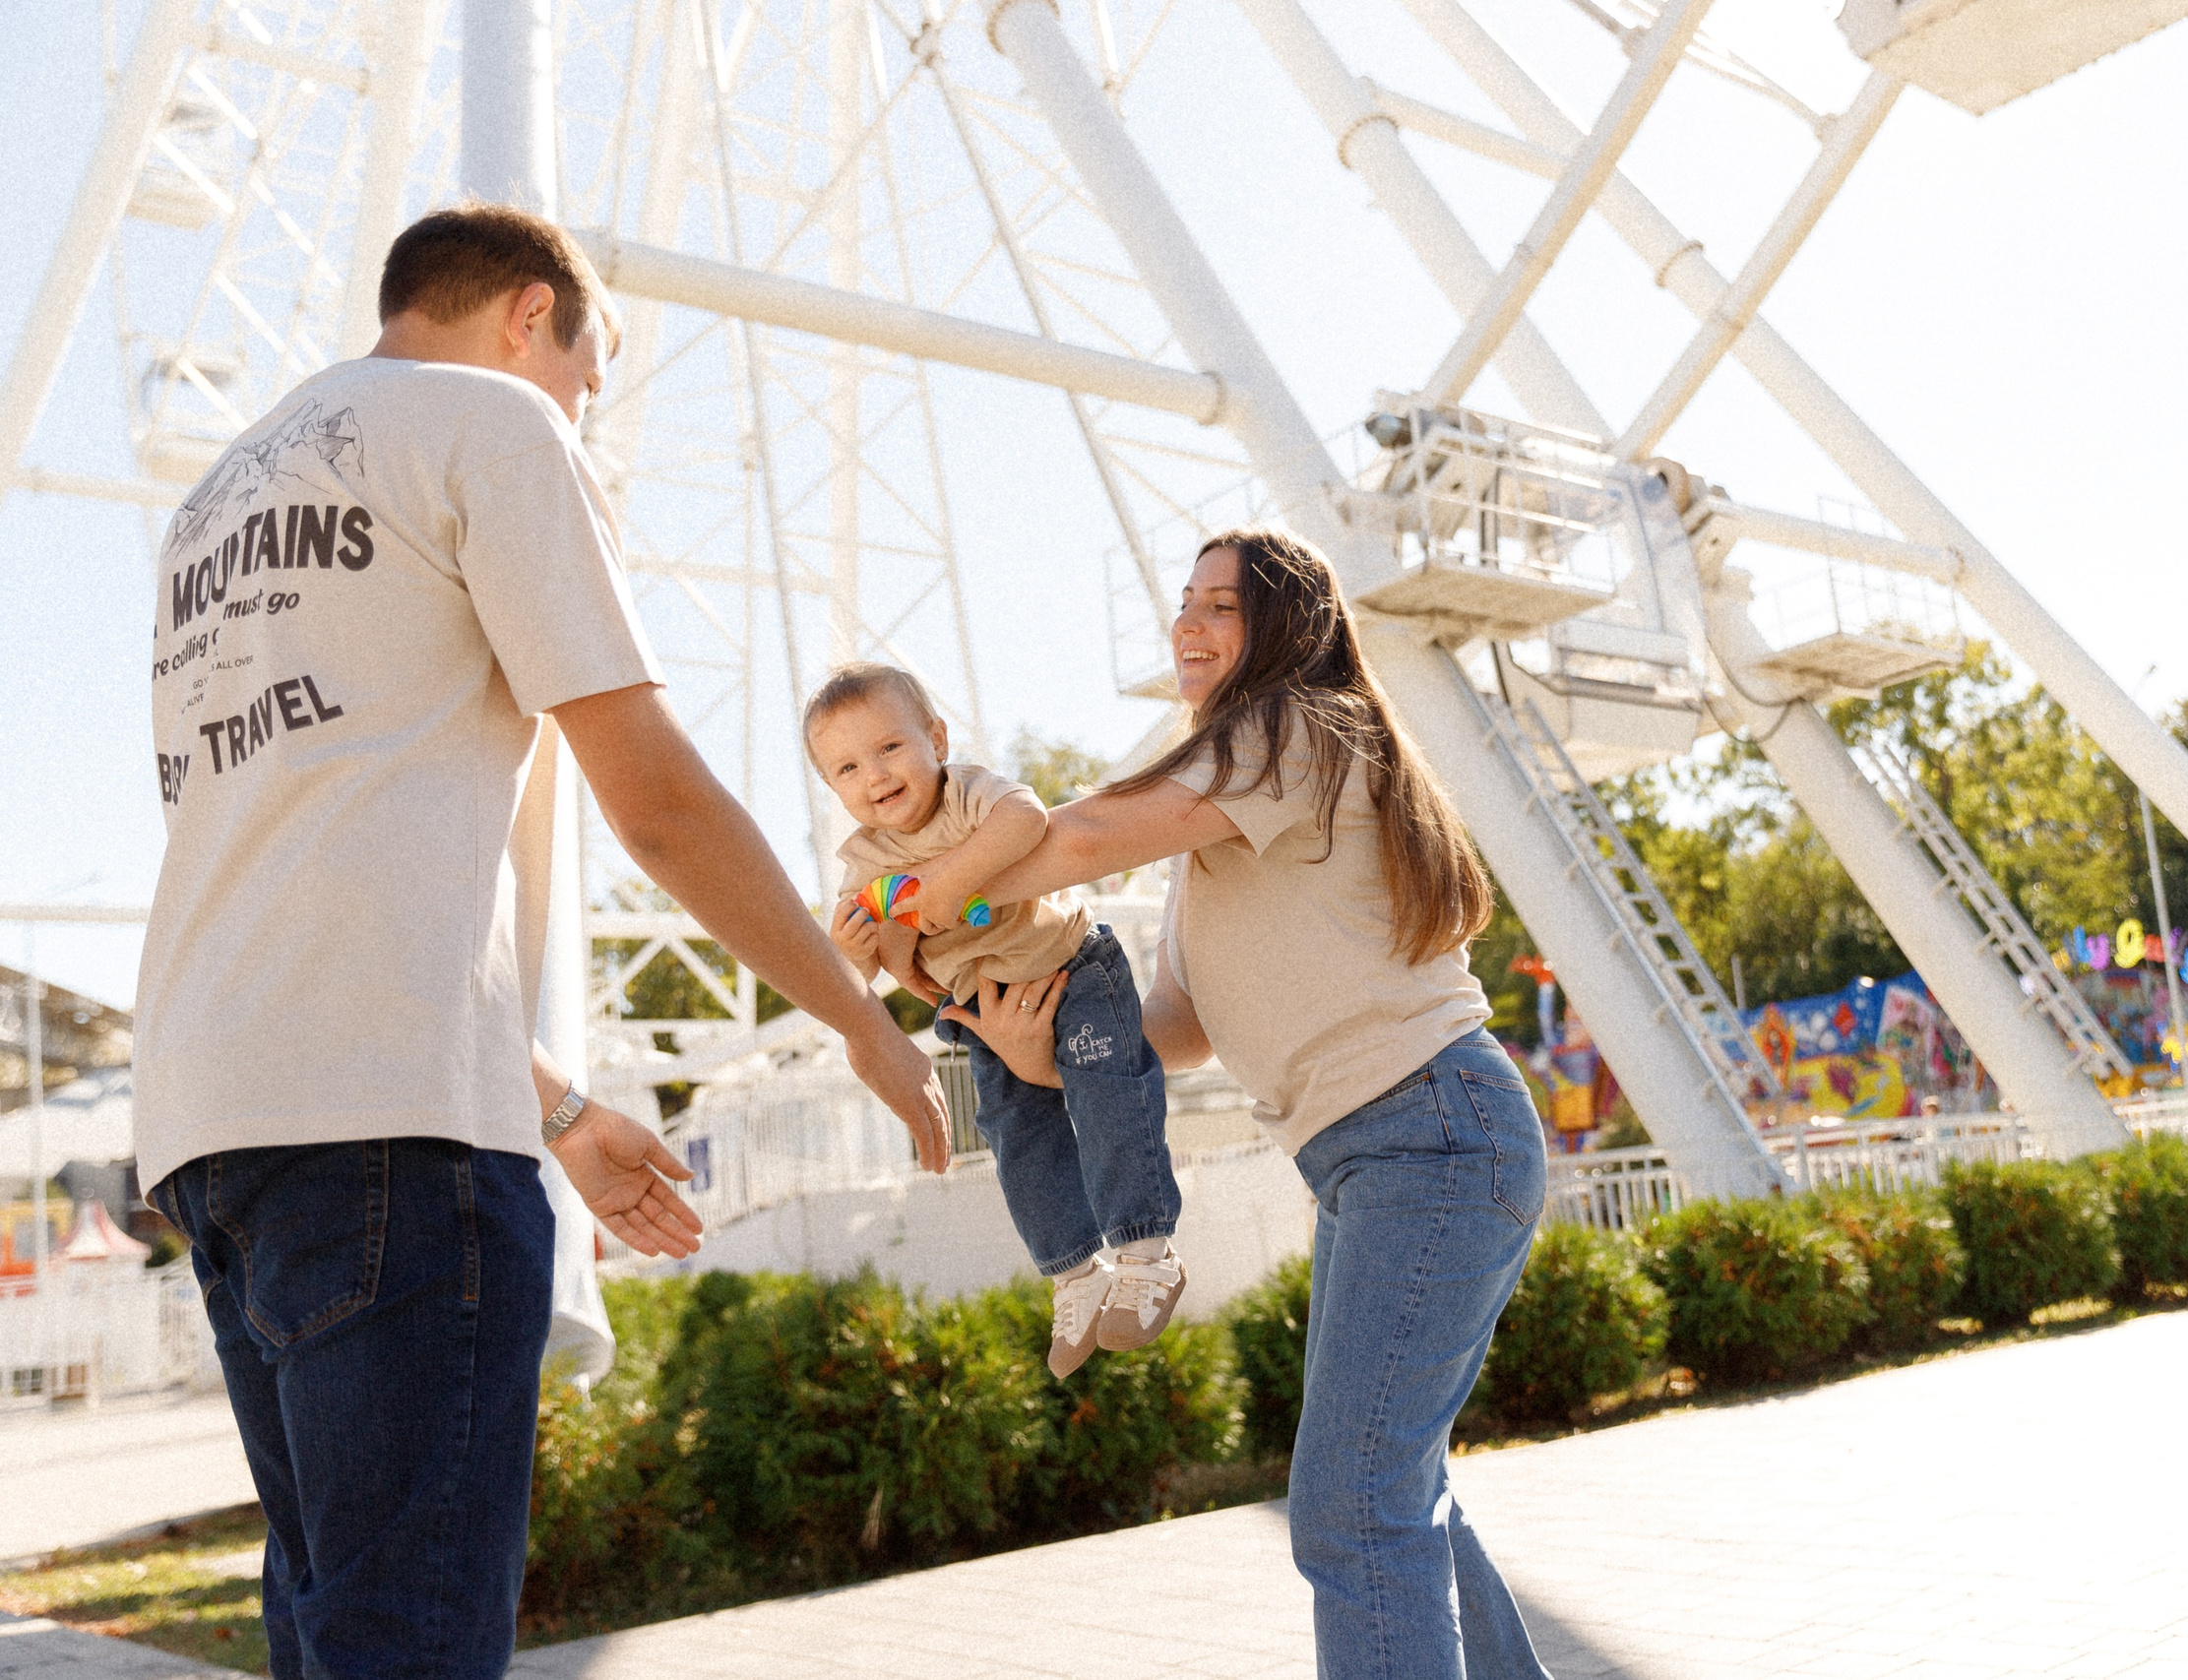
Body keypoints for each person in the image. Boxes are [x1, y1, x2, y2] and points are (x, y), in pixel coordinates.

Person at [133, 204, 949, 1680]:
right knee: (412, 1647)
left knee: (336, 1633)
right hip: (394, 1144)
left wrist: (559, 1109)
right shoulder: (493, 423)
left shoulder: (211, 509)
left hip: (216, 1124)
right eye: (590, 372)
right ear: (529, 315)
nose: (583, 406)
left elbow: (320, 887)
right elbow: (659, 806)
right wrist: (861, 1020)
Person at [948, 527, 1553, 1680]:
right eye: (1184, 601)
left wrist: (923, 887)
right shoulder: (1217, 834)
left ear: (1287, 629)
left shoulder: (1300, 727)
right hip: (1387, 1154)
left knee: (1354, 1507)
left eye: (1220, 605)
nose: (1187, 623)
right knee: (1393, 1493)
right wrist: (1041, 1053)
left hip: (1429, 1130)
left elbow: (1080, 835)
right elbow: (1177, 1029)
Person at [805, 661, 1185, 1374]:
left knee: (1108, 1093)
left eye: (889, 747)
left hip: (1071, 967)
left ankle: (1146, 1251)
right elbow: (864, 971)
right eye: (847, 767)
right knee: (1016, 1135)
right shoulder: (864, 861)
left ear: (936, 739)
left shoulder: (968, 794)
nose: (874, 774)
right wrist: (853, 953)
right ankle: (1076, 1273)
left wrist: (949, 880)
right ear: (832, 787)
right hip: (981, 1006)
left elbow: (1026, 819)